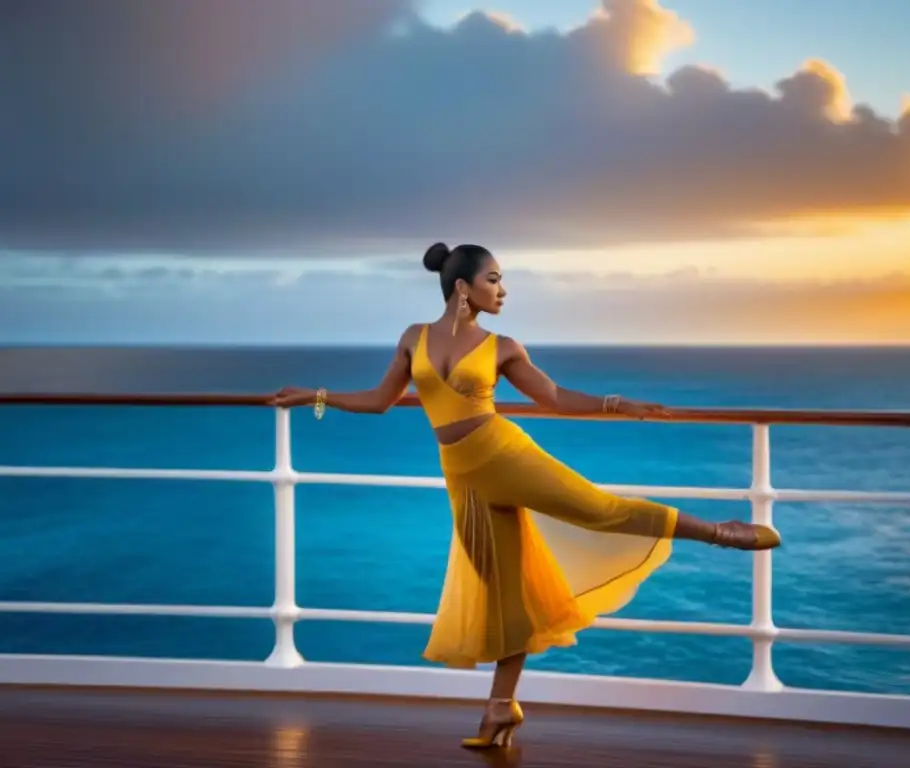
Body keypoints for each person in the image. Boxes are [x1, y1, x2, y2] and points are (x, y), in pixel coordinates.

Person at [270, 243, 781, 750]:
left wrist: (619, 403)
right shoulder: (412, 338)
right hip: (463, 481)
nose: (503, 290)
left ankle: (720, 532)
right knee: (503, 595)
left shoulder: (504, 347)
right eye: (494, 279)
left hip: (505, 456)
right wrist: (316, 396)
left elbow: (554, 398)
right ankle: (500, 708)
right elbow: (380, 401)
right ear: (463, 288)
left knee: (601, 511)